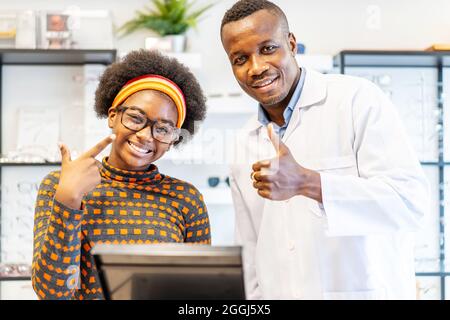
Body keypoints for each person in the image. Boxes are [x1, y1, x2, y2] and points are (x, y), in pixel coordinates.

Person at [221, 0, 429, 299]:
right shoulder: (244, 140)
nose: (256, 68)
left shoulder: (357, 100)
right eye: (240, 59)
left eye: (268, 49)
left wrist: (308, 183)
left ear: (291, 44)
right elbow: (251, 253)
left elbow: (410, 204)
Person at [31, 50, 211, 300]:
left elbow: (198, 294)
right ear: (113, 116)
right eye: (136, 119)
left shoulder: (186, 199)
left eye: (163, 129)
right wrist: (68, 200)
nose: (146, 136)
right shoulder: (60, 184)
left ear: (172, 140)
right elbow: (52, 293)